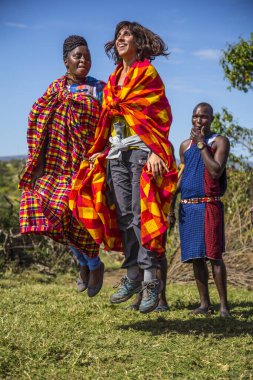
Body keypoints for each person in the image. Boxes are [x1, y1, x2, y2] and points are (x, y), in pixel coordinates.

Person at [69, 21, 177, 313]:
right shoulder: (114, 77)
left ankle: (151, 279)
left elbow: (160, 116)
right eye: (117, 35)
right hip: (117, 154)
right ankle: (132, 276)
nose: (120, 38)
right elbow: (110, 121)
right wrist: (100, 150)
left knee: (143, 216)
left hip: (142, 152)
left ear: (138, 42)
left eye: (126, 34)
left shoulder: (147, 73)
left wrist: (156, 150)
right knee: (125, 215)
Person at [19, 35, 105, 297]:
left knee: (78, 217)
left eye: (87, 56)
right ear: (66, 61)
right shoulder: (55, 90)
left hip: (85, 165)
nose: (83, 60)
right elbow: (38, 120)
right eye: (78, 56)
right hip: (55, 167)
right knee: (50, 212)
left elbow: (110, 124)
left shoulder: (99, 89)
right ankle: (85, 263)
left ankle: (93, 265)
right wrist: (36, 165)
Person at [171, 102, 231, 317]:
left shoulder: (219, 141)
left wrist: (201, 144)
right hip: (189, 207)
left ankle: (224, 306)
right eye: (195, 116)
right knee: (196, 257)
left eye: (204, 117)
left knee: (214, 255)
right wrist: (170, 209)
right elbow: (180, 179)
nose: (199, 120)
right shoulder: (184, 146)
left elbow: (215, 171)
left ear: (212, 119)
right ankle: (204, 304)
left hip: (209, 204)